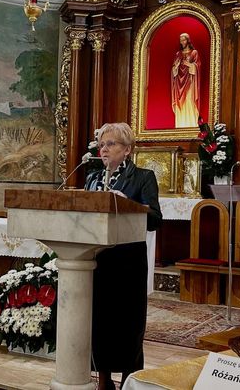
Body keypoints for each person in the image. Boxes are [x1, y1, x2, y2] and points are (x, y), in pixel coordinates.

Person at [84, 122, 162, 390]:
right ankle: (104, 381)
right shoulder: (92, 178)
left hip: (127, 263)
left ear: (127, 149)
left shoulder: (143, 177)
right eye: (101, 145)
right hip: (99, 258)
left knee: (127, 323)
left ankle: (130, 381)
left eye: (111, 144)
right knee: (101, 322)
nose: (104, 150)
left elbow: (155, 219)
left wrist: (129, 205)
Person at [171, 33, 200, 128]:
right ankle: (180, 125)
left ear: (188, 40)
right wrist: (176, 66)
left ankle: (191, 125)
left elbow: (197, 66)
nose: (182, 42)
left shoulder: (194, 53)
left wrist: (189, 64)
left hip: (190, 81)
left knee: (189, 100)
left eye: (184, 40)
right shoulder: (178, 54)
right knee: (180, 102)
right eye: (181, 41)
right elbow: (173, 70)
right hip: (179, 82)